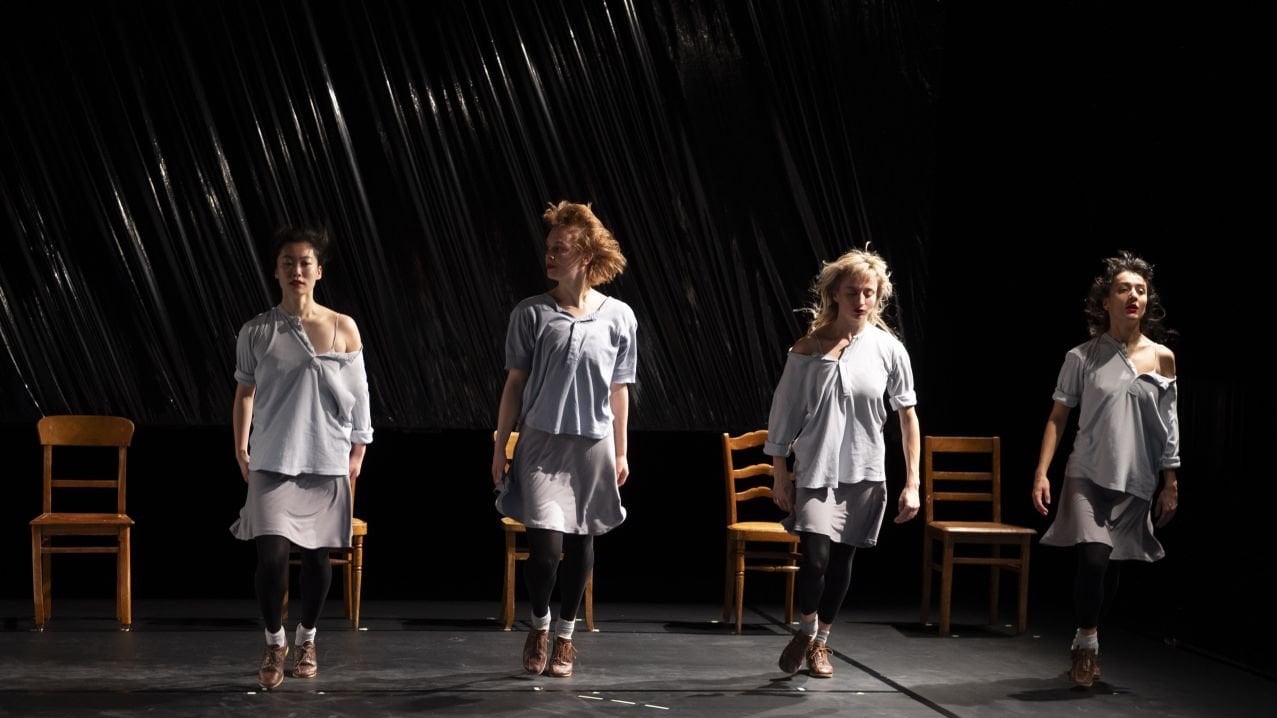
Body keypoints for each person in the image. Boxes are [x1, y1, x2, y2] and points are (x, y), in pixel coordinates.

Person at [491, 201, 636, 679]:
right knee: (548, 549)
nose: (550, 256)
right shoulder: (531, 313)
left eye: (560, 249)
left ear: (587, 254)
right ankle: (540, 623)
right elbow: (515, 384)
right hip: (539, 445)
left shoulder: (619, 317)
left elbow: (619, 389)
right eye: (548, 248)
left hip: (590, 445)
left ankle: (567, 637)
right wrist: (500, 445)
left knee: (583, 542)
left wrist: (621, 449)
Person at [765, 247, 920, 678]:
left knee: (842, 563)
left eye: (869, 292)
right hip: (816, 468)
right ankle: (806, 628)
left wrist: (913, 482)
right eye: (852, 291)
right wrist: (779, 471)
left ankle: (821, 643)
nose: (861, 301)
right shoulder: (809, 347)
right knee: (814, 557)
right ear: (835, 293)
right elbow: (784, 413)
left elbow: (908, 417)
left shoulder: (889, 350)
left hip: (865, 471)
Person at [230, 226, 372, 691]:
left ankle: (306, 638)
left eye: (305, 262)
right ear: (276, 270)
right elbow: (244, 394)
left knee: (317, 561)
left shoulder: (341, 326)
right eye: (288, 262)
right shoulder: (257, 330)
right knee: (271, 558)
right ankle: (275, 641)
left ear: (319, 271)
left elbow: (359, 393)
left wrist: (359, 445)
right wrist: (241, 446)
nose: (297, 270)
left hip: (325, 457)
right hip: (273, 457)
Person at [1032, 251, 1179, 688]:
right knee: (1093, 558)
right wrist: (1042, 472)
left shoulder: (1164, 358)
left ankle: (1088, 635)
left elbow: (1170, 423)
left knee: (1111, 566)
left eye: (1140, 289)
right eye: (1123, 289)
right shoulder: (1082, 356)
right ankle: (1087, 643)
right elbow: (1058, 416)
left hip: (1136, 476)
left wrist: (1171, 480)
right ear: (1105, 300)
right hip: (1087, 471)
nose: (1133, 295)